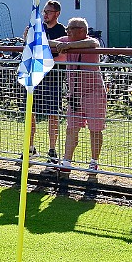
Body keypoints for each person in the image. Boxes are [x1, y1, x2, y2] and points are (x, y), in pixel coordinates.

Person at [45, 17, 106, 174]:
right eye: (68, 29)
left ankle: (94, 162)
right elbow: (48, 42)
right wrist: (61, 45)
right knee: (71, 128)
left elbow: (93, 44)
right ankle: (67, 161)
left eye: (71, 28)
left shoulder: (91, 41)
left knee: (95, 128)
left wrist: (68, 46)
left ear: (82, 31)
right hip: (74, 94)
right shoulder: (66, 40)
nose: (68, 31)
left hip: (94, 91)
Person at [24, 0, 66, 164]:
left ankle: (52, 150)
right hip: (35, 77)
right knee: (30, 111)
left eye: (48, 12)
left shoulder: (62, 31)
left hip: (53, 77)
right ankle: (30, 147)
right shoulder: (37, 28)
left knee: (52, 114)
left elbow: (60, 55)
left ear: (57, 14)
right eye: (44, 12)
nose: (45, 14)